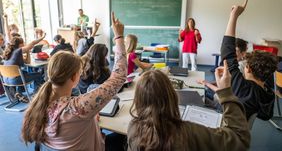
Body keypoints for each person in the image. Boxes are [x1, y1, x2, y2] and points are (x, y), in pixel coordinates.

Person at [21, 12, 127, 151]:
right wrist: (118, 37)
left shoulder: (39, 104)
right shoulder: (79, 107)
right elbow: (118, 77)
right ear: (73, 77)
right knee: (124, 139)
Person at [127, 60, 250, 151]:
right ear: (173, 97)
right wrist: (226, 92)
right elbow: (239, 140)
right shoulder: (189, 132)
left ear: (138, 100)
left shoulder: (133, 128)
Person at [220, 0, 278, 120]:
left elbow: (228, 54)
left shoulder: (244, 88)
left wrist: (234, 15)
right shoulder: (269, 95)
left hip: (224, 129)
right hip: (240, 131)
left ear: (249, 69)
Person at [2, 34, 46, 102]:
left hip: (6, 80)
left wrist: (28, 50)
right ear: (20, 44)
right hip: (15, 80)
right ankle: (36, 94)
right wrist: (42, 37)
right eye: (23, 43)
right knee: (38, 75)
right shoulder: (18, 51)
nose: (24, 44)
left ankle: (19, 93)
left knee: (24, 73)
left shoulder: (9, 52)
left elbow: (27, 62)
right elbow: (33, 43)